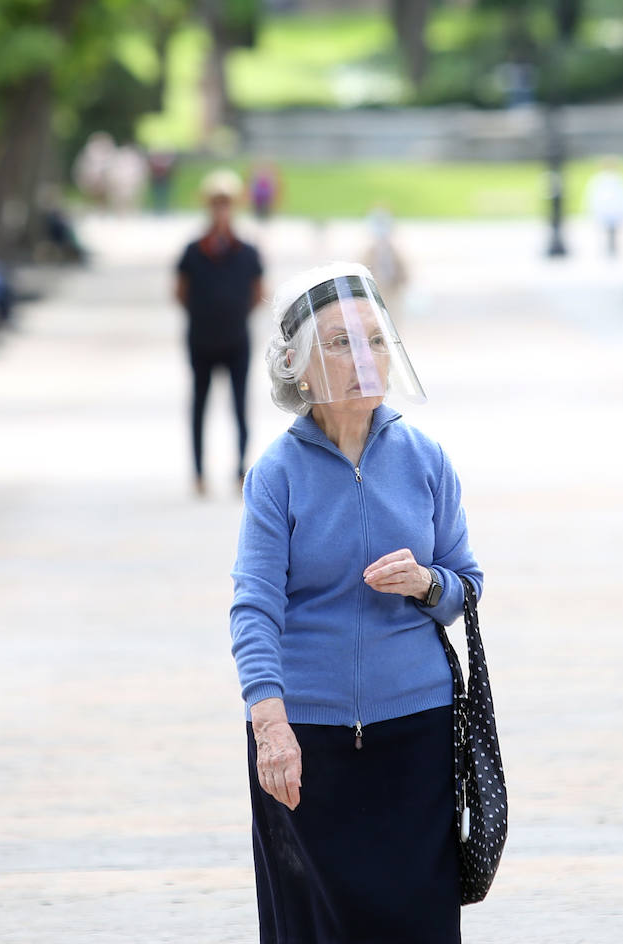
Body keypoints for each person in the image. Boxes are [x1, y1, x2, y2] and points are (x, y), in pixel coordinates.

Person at [230, 261, 483, 943]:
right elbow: (254, 607)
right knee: (317, 926)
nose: (364, 357)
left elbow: (466, 582)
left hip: (416, 734)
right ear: (300, 368)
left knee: (418, 925)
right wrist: (269, 726)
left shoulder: (425, 459)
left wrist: (427, 584)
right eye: (340, 343)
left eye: (374, 339)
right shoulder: (277, 476)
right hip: (307, 745)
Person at [174, 168, 264, 496]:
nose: (221, 210)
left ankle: (240, 469)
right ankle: (198, 472)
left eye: (226, 203)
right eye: (216, 203)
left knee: (240, 406)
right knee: (199, 404)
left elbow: (258, 291)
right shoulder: (194, 251)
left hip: (236, 338)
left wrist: (236, 313)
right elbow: (180, 291)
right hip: (201, 339)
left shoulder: (248, 251)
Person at [582, 158, 623, 258]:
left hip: (613, 210)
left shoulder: (617, 180)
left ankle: (612, 247)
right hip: (608, 210)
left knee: (612, 231)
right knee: (610, 231)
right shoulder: (604, 180)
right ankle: (611, 247)